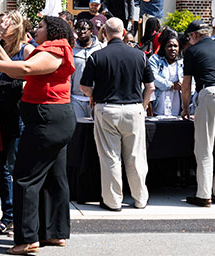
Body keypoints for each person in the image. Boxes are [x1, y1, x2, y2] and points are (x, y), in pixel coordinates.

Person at [0, 16, 75, 254]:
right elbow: (18, 74)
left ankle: (27, 239)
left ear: (53, 30)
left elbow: (25, 68)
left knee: (25, 177)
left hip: (47, 120)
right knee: (54, 176)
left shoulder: (55, 49)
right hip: (52, 119)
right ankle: (54, 233)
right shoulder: (47, 50)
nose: (37, 29)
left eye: (42, 26)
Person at [78, 17, 154, 211]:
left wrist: (94, 96)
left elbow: (84, 86)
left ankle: (113, 201)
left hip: (107, 108)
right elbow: (150, 87)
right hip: (134, 108)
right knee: (136, 156)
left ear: (104, 33)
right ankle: (140, 198)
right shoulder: (140, 56)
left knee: (110, 157)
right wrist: (143, 106)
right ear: (123, 33)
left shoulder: (97, 56)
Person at [179, 19, 215, 207]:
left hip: (211, 93)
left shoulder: (192, 51)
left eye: (189, 37)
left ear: (195, 35)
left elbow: (186, 86)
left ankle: (204, 195)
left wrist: (186, 107)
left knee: (204, 148)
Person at [0, 11, 34, 235]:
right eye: (0, 23)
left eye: (5, 23)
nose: (1, 26)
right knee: (0, 166)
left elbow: (24, 78)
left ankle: (20, 216)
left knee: (15, 166)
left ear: (17, 27)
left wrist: (1, 87)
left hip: (18, 115)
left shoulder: (27, 50)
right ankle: (8, 215)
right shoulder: (1, 48)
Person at [70, 19, 104, 119]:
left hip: (96, 98)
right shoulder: (71, 50)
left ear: (91, 31)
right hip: (76, 98)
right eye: (78, 29)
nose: (81, 32)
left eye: (84, 29)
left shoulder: (101, 48)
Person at [150, 29, 184, 117]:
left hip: (178, 108)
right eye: (169, 46)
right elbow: (153, 77)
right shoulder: (155, 60)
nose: (173, 49)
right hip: (159, 107)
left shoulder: (182, 62)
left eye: (175, 46)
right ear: (164, 47)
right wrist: (171, 85)